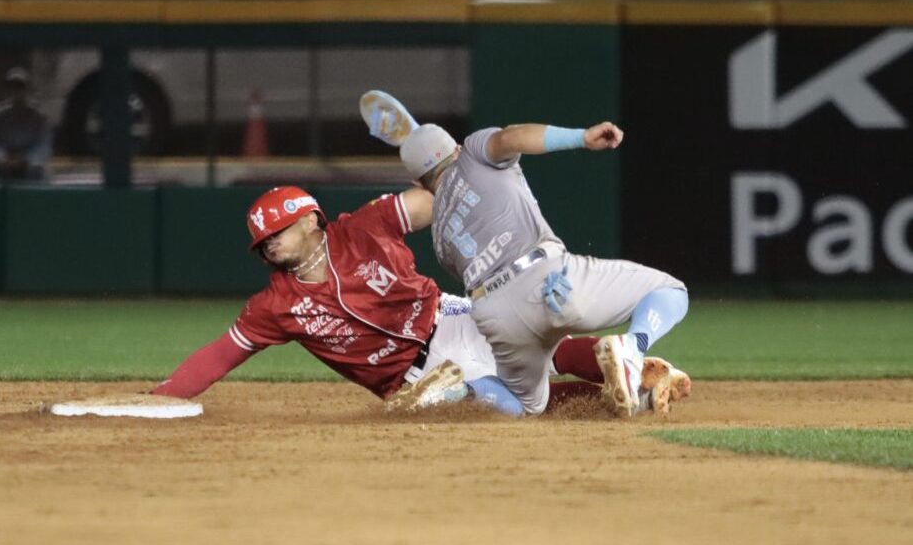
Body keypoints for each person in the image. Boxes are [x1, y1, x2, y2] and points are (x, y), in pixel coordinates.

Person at [152, 184, 689, 417]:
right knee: (517, 407)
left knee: (539, 347)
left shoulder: (363, 228)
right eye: (262, 242)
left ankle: (629, 366)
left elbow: (437, 200)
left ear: (312, 220)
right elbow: (223, 353)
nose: (268, 244)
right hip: (407, 377)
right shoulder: (274, 305)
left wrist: (446, 172)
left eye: (278, 232)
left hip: (450, 316)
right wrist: (167, 394)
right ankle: (638, 381)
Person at [362, 90, 691, 417]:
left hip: (496, 314)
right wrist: (581, 137)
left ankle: (460, 390)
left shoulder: (439, 238)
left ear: (419, 184)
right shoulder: (475, 152)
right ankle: (632, 351)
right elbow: (514, 136)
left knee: (526, 404)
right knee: (670, 290)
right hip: (547, 282)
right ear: (457, 149)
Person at [0, 67, 51, 181]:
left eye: (20, 87)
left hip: (29, 161)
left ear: (27, 90)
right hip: (5, 161)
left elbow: (43, 146)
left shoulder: (40, 116)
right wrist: (3, 159)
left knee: (38, 169)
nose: (16, 92)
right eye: (12, 88)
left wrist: (25, 160)